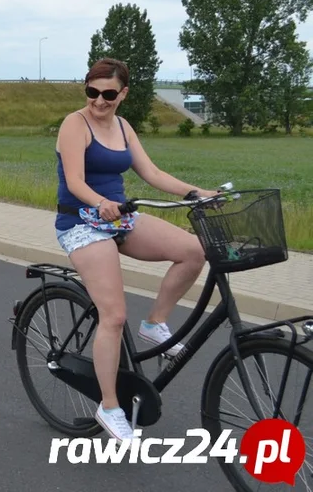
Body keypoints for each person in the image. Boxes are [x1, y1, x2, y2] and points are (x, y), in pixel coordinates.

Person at [55, 57, 214, 441]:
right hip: (81, 222)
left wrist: (195, 193)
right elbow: (75, 181)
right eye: (91, 91)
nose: (98, 101)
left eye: (108, 94)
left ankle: (155, 322)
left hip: (120, 218)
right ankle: (109, 407)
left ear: (123, 94)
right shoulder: (74, 124)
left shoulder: (123, 127)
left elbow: (152, 173)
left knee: (194, 250)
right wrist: (99, 202)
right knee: (113, 314)